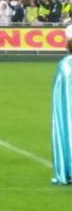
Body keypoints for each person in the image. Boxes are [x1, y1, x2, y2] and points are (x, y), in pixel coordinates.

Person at [53, 40, 72, 185]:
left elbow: (60, 88)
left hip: (68, 109)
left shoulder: (65, 64)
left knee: (67, 134)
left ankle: (67, 171)